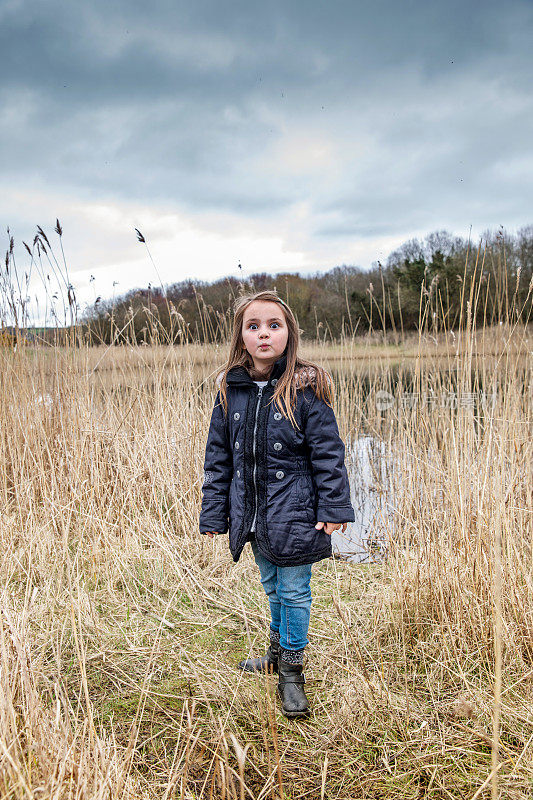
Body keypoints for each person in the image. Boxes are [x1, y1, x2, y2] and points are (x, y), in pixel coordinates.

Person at [199, 290, 355, 719]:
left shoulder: (306, 387)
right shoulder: (231, 389)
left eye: (274, 325)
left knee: (294, 590)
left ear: (290, 333)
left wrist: (333, 508)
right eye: (254, 326)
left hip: (296, 511)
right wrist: (215, 512)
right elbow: (218, 458)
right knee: (271, 586)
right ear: (241, 337)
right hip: (251, 512)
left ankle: (291, 671)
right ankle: (275, 650)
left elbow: (328, 452)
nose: (264, 333)